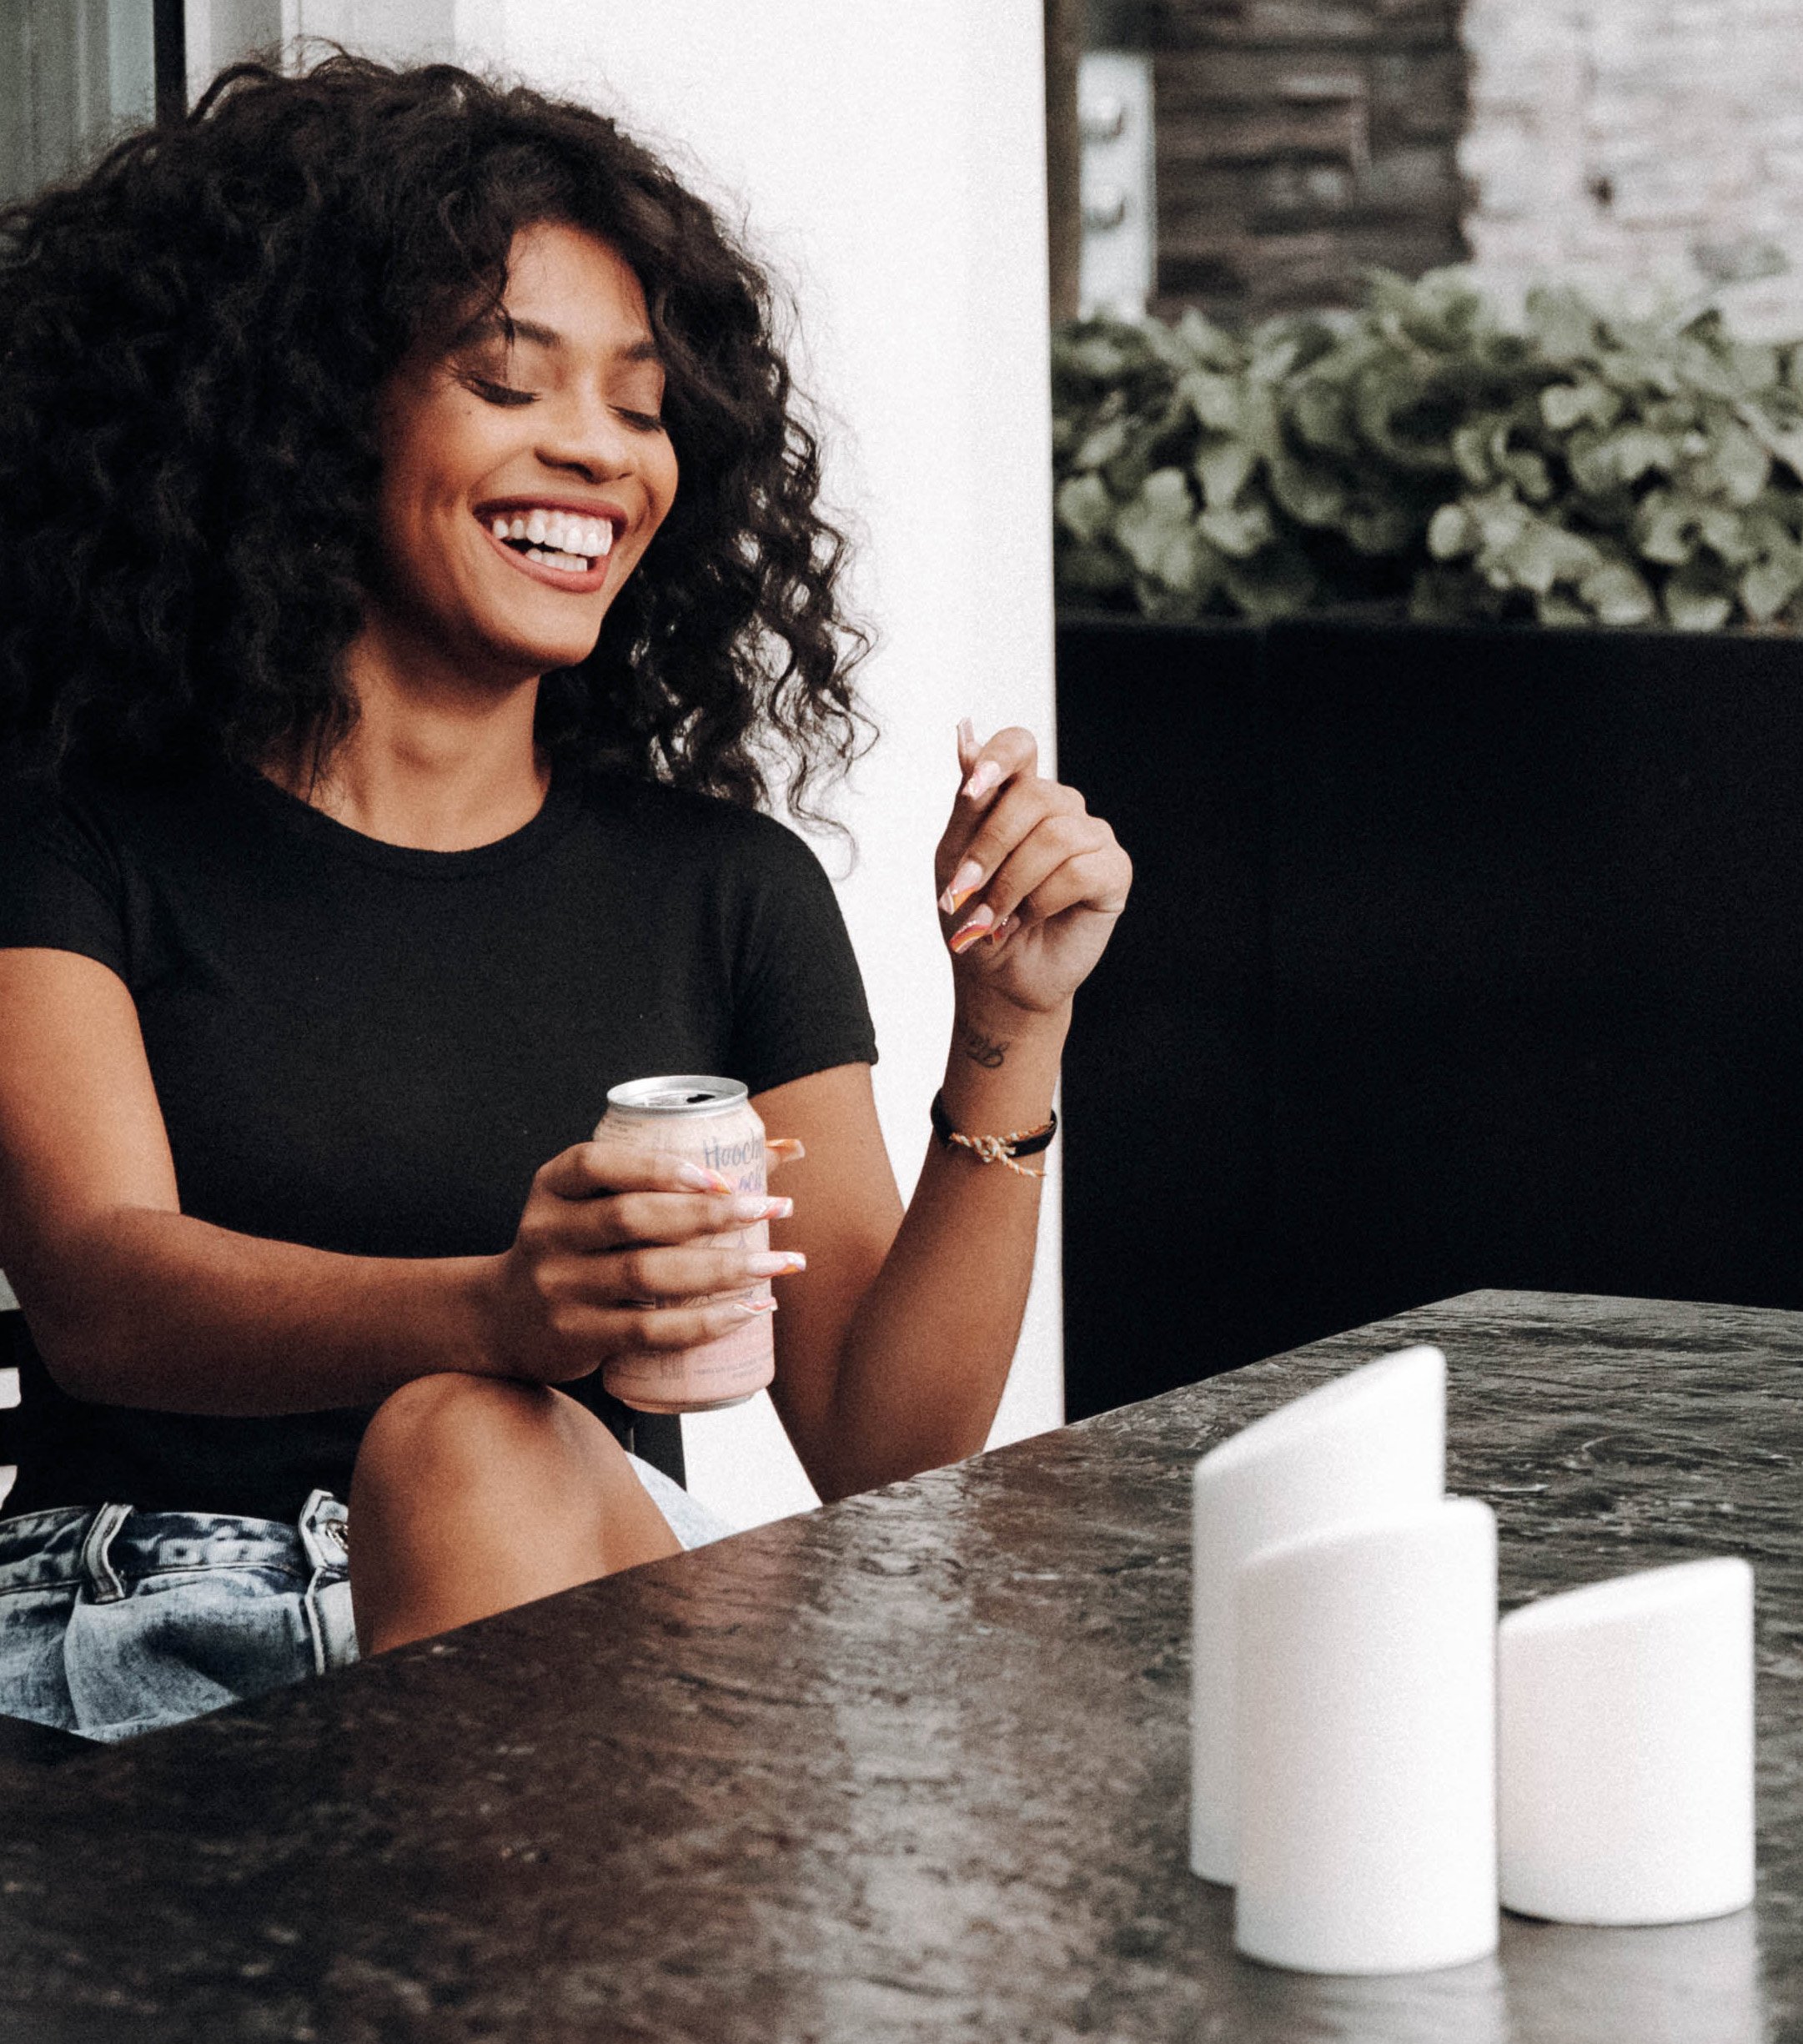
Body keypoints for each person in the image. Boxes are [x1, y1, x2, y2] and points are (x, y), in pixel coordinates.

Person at [0, 53, 1131, 1741]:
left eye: (640, 400)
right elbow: (97, 1287)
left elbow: (882, 1451)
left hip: (561, 1614)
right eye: (507, 382)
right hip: (140, 1636)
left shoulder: (721, 892)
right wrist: (498, 1308)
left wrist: (1014, 1030)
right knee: (459, 1408)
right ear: (312, 416)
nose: (595, 453)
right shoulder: (80, 844)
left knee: (465, 1441)